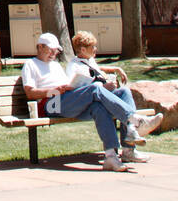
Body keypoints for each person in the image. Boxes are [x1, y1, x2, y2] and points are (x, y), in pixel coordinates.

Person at [21, 32, 152, 170]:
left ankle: (112, 156)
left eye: (56, 50)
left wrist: (72, 86)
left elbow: (69, 84)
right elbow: (30, 93)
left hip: (67, 99)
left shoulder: (56, 65)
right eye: (51, 50)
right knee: (95, 88)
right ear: (40, 47)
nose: (54, 53)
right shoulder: (31, 64)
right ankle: (133, 121)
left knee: (103, 104)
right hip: (51, 103)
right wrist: (54, 90)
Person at [65, 30, 162, 162]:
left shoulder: (90, 60)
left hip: (102, 97)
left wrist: (115, 69)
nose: (95, 49)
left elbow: (97, 70)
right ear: (82, 49)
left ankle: (129, 147)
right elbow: (73, 88)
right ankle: (136, 122)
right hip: (88, 105)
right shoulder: (73, 66)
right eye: (92, 47)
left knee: (125, 92)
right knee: (103, 104)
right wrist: (103, 87)